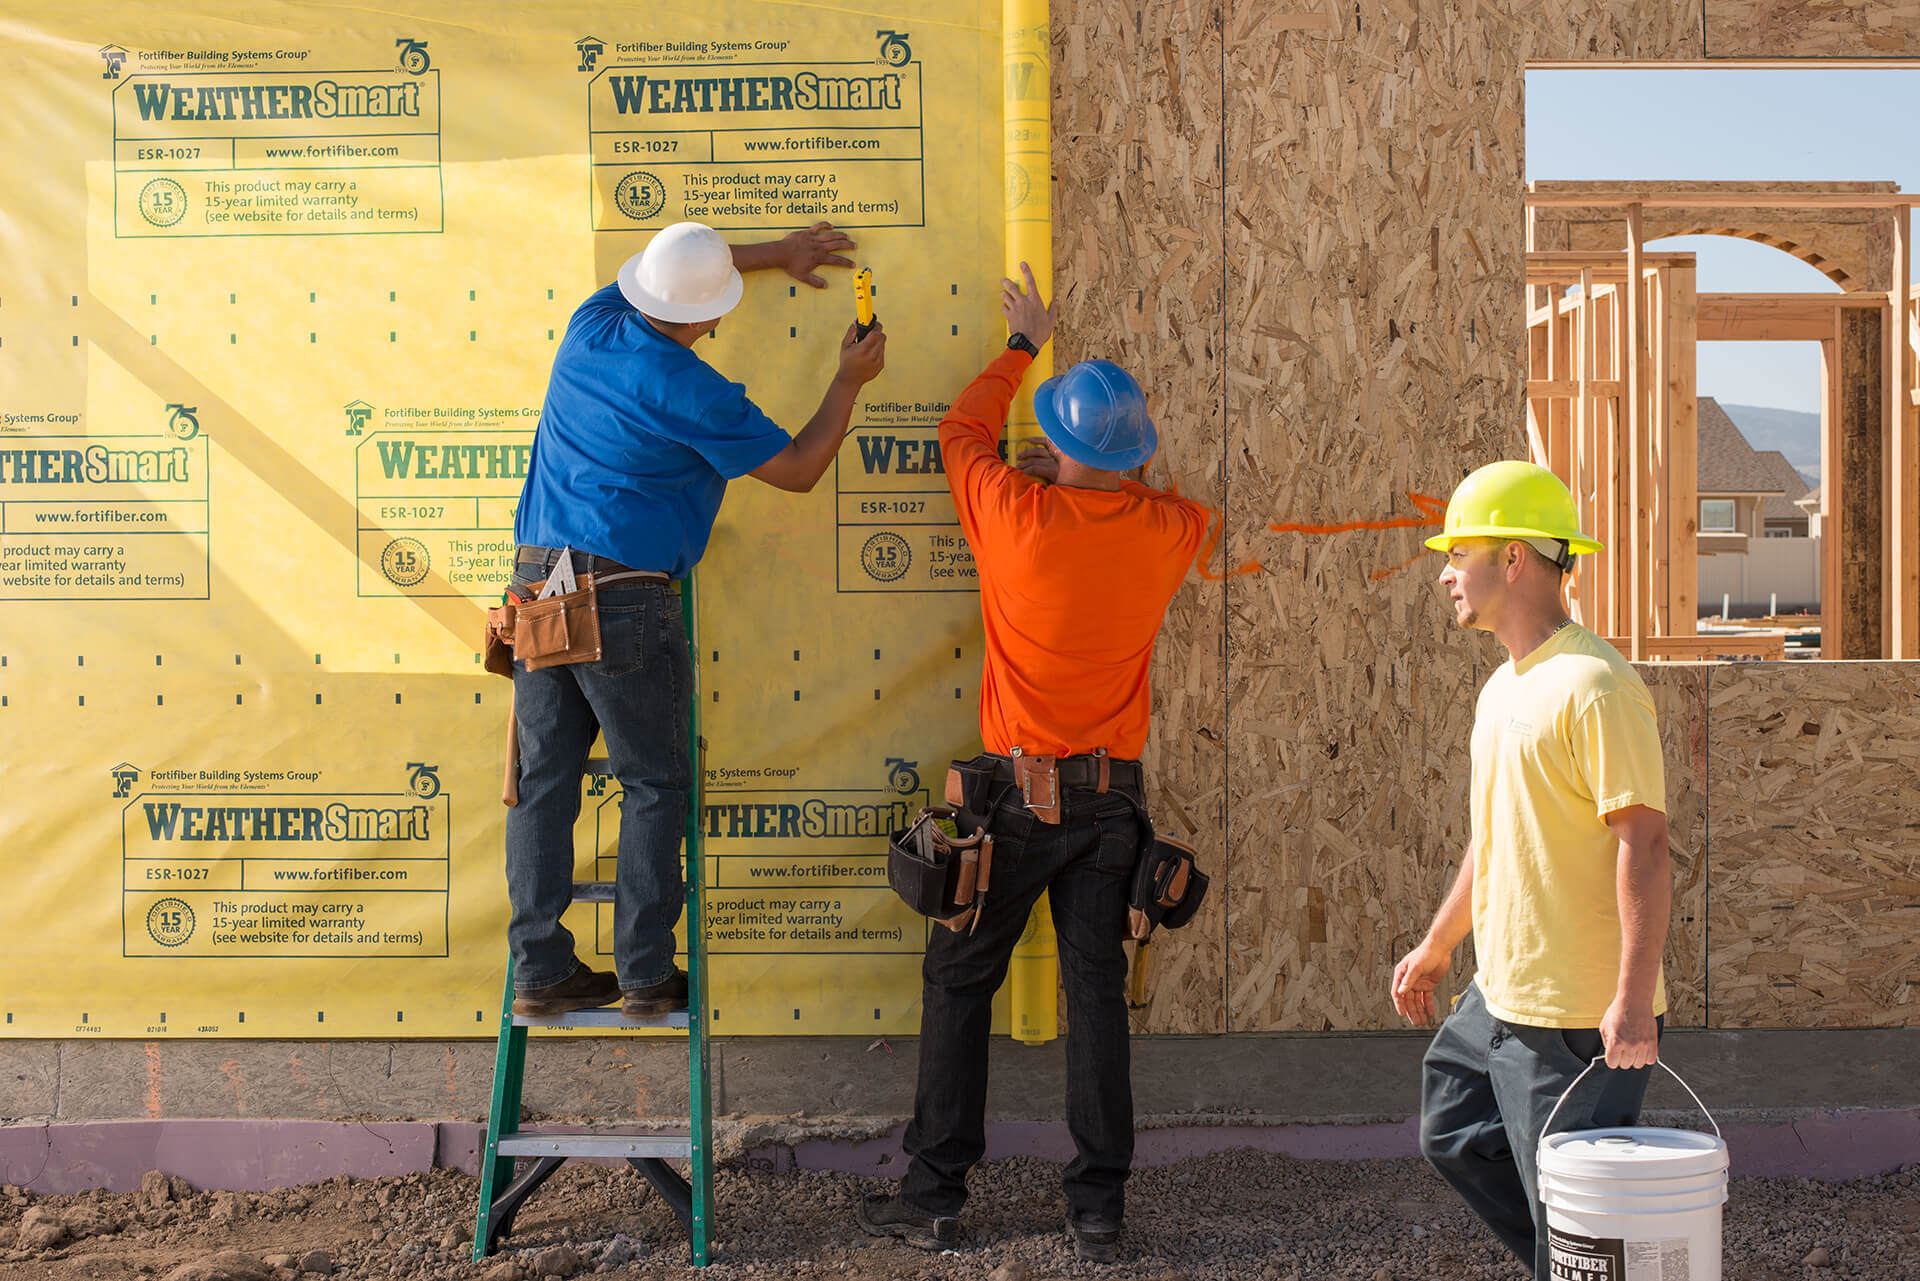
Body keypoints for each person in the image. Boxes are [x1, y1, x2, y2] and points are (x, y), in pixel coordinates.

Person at [857, 265, 1208, 1263]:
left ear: (1054, 442)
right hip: (1111, 812)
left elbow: (959, 433)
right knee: (1096, 1000)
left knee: (959, 983)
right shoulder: (1169, 531)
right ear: (1134, 456)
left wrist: (1023, 347)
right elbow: (1176, 502)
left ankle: (935, 1197)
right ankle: (1097, 1210)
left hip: (1014, 802)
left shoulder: (1012, 511)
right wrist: (1110, 466)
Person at [506, 221, 886, 1018]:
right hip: (623, 593)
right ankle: (645, 973)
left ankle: (539, 969)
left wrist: (770, 253)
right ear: (713, 317)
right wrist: (848, 379)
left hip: (539, 585)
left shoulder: (592, 325)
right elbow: (801, 467)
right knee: (653, 782)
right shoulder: (692, 390)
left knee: (543, 786)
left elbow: (675, 275)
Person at [1390, 460, 1672, 1280]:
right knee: (1450, 1128)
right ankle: (1576, 1262)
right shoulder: (1503, 688)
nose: (1446, 573)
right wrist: (1443, 943)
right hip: (1500, 996)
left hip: (1575, 1020)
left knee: (1576, 1220)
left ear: (1512, 559)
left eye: (1460, 552)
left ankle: (1582, 1264)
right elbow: (1497, 835)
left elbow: (1646, 846)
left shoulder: (1595, 686)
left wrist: (1631, 1002)